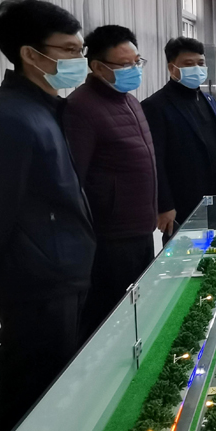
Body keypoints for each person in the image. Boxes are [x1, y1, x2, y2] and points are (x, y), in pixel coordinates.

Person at [0, 0, 96, 431]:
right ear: (30, 54)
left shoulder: (45, 107)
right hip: (36, 285)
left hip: (59, 274)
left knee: (52, 389)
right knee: (29, 395)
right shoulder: (6, 119)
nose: (79, 60)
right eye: (68, 50)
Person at [64, 25, 157, 342]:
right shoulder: (82, 108)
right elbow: (74, 179)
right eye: (124, 64)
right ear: (98, 67)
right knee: (109, 316)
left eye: (137, 61)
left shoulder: (129, 101)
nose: (134, 69)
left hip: (140, 228)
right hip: (110, 237)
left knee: (136, 305)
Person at [141, 37, 216, 236]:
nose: (197, 68)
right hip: (184, 198)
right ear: (172, 68)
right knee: (186, 250)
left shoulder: (208, 99)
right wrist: (164, 205)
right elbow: (155, 161)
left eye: (200, 63)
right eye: (188, 64)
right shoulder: (155, 106)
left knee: (215, 245)